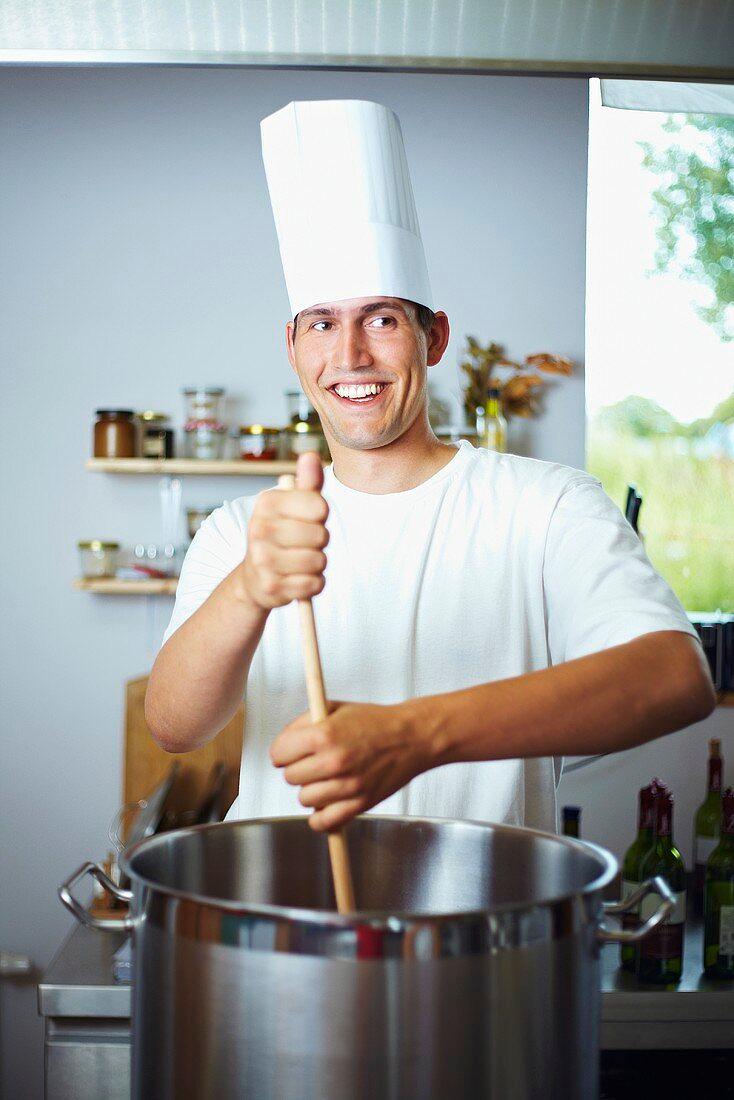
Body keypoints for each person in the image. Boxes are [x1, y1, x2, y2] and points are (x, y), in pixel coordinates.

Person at [146, 100, 714, 835]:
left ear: (434, 337)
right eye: (323, 323)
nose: (350, 355)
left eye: (381, 319)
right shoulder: (241, 533)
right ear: (293, 347)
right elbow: (174, 726)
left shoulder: (544, 506)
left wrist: (416, 736)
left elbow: (674, 678)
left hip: (486, 905)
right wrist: (251, 586)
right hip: (289, 903)